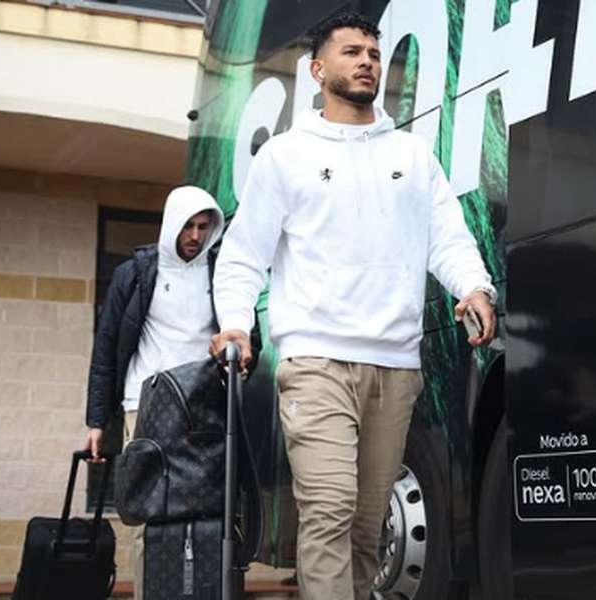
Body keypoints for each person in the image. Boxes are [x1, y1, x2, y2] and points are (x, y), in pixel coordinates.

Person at [210, 11, 497, 600]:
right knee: (329, 512)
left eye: (373, 51)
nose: (367, 60)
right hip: (317, 364)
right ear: (318, 70)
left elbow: (447, 234)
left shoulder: (413, 156)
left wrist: (473, 286)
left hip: (396, 369)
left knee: (369, 530)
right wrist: (235, 324)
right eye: (351, 52)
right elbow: (243, 255)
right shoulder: (285, 156)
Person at [84, 185, 225, 600]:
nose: (195, 236)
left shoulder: (221, 272)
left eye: (203, 227)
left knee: (207, 513)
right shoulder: (137, 273)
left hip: (203, 409)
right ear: (171, 226)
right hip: (143, 407)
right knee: (149, 513)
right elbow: (107, 346)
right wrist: (95, 421)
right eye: (188, 227)